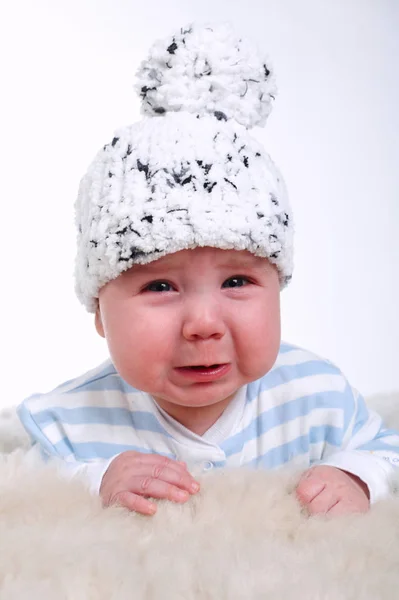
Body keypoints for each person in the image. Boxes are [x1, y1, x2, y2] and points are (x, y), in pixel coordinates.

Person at [17, 23, 399, 518]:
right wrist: (92, 480)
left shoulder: (315, 395)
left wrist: (355, 475)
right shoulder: (70, 421)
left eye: (237, 281)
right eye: (159, 285)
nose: (203, 324)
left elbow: (388, 451)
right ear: (98, 313)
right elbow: (23, 492)